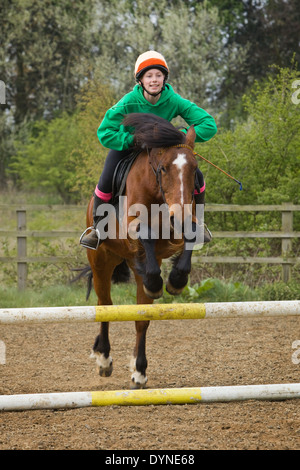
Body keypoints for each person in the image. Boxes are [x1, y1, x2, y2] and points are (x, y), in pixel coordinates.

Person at [80, 50, 217, 249]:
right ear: (141, 80)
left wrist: (181, 136)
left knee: (197, 178)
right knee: (107, 178)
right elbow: (105, 132)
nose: (154, 80)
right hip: (129, 147)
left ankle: (196, 224)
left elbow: (208, 123)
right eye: (149, 76)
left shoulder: (174, 100)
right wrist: (131, 139)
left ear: (164, 78)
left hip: (161, 150)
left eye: (158, 75)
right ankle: (98, 229)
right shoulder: (129, 102)